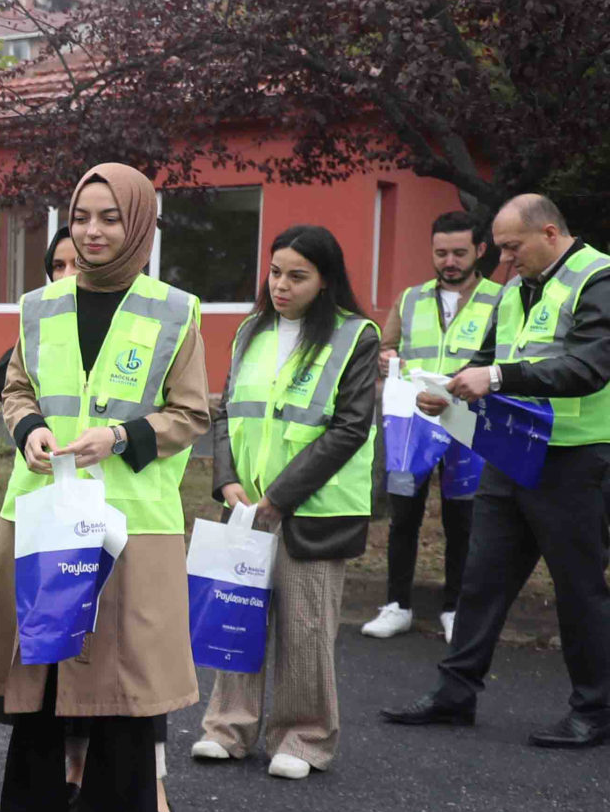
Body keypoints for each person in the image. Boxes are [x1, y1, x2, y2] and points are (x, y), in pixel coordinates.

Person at [0, 163, 212, 812]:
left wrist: (122, 434)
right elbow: (14, 390)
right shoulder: (38, 306)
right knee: (39, 680)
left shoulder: (177, 310)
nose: (92, 230)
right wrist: (33, 430)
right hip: (45, 515)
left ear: (140, 224)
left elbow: (191, 414)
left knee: (122, 689)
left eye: (110, 217)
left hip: (131, 526)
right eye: (82, 215)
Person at [384, 193, 610, 748]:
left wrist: (498, 379)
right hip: (511, 452)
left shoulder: (598, 278)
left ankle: (596, 710)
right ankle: (454, 693)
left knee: (578, 588)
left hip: (575, 456)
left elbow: (590, 366)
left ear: (551, 234)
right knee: (482, 580)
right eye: (503, 248)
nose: (505, 260)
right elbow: (485, 361)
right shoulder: (515, 288)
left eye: (513, 247)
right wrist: (451, 390)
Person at [191, 225, 382, 779]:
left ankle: (303, 738)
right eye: (275, 272)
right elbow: (227, 411)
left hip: (314, 510)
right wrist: (227, 481)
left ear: (325, 282)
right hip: (247, 504)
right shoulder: (252, 330)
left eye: (297, 276)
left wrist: (280, 497)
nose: (281, 285)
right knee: (236, 617)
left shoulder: (355, 336)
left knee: (305, 626)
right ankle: (227, 728)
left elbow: (349, 428)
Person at [364, 211, 501, 642]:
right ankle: (397, 605)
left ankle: (455, 607)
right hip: (414, 422)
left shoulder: (501, 299)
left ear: (480, 250)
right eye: (441, 252)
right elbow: (385, 350)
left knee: (464, 518)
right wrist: (385, 360)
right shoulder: (410, 299)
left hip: (470, 419)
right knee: (404, 514)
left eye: (459, 253)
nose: (449, 262)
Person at [0, 228, 79, 402]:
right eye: (59, 266)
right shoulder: (39, 322)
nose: (67, 275)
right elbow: (13, 390)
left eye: (78, 263)